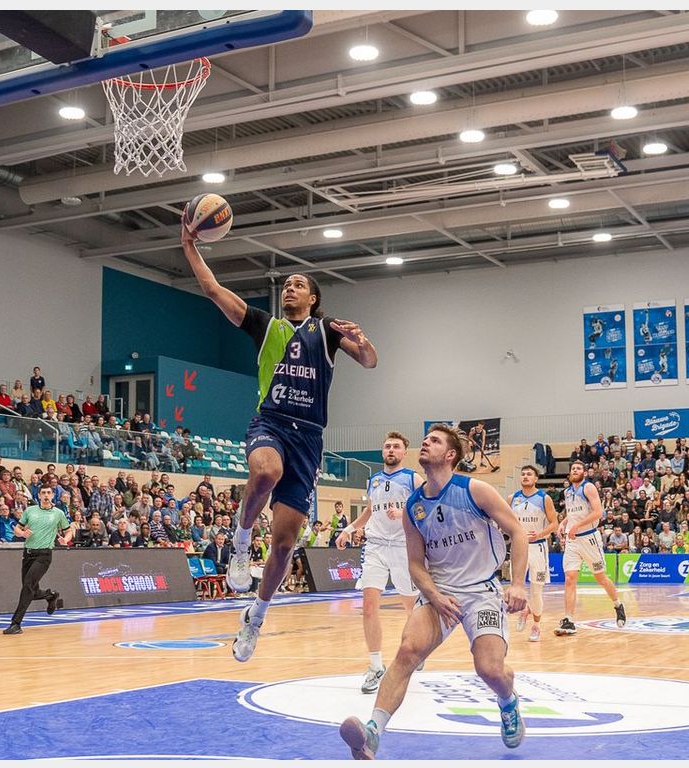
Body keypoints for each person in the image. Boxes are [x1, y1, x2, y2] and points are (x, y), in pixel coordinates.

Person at [181, 225, 378, 663]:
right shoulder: (264, 326)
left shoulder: (326, 330)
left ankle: (255, 616)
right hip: (270, 422)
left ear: (313, 298)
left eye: (299, 284)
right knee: (266, 470)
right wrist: (190, 246)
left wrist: (364, 342)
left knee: (285, 543)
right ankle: (240, 541)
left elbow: (369, 361)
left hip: (309, 437)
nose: (290, 288)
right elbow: (213, 289)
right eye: (286, 284)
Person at [338, 426, 528, 758]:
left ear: (451, 455)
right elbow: (415, 564)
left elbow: (518, 531)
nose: (425, 442)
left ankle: (508, 701)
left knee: (490, 669)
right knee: (407, 651)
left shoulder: (476, 490)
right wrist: (435, 596)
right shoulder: (414, 506)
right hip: (439, 591)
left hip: (481, 590)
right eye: (425, 439)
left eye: (435, 441)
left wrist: (518, 584)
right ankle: (372, 733)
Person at [334, 432, 422, 693]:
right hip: (375, 546)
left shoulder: (413, 478)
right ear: (383, 452)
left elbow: (425, 509)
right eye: (387, 446)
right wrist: (349, 529)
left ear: (404, 452)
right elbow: (370, 511)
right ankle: (375, 666)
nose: (391, 450)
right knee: (369, 606)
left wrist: (404, 512)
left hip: (404, 546)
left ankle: (419, 646)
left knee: (411, 606)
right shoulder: (373, 480)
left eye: (396, 446)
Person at [555, 460, 626, 636]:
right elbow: (573, 514)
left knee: (600, 578)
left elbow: (598, 513)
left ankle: (618, 605)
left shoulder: (588, 488)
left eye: (579, 468)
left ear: (585, 473)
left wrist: (576, 526)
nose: (575, 470)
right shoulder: (567, 492)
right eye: (573, 468)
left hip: (589, 538)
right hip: (573, 540)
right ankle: (569, 620)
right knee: (570, 578)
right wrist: (563, 523)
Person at [2, 486, 72, 635]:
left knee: (28, 586)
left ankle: (16, 623)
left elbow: (68, 530)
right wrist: (22, 533)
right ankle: (50, 595)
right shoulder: (30, 511)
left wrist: (66, 539)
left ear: (52, 495)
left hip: (44, 555)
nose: (46, 495)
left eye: (49, 493)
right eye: (43, 493)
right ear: (39, 496)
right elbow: (17, 529)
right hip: (28, 554)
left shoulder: (58, 513)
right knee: (31, 592)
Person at [508, 464, 559, 643]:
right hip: (518, 547)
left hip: (538, 547)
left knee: (536, 591)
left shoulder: (544, 498)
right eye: (523, 474)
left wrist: (540, 534)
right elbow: (504, 521)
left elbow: (554, 524)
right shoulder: (512, 498)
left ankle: (536, 626)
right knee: (517, 587)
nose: (525, 476)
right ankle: (524, 610)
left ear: (536, 478)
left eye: (529, 474)